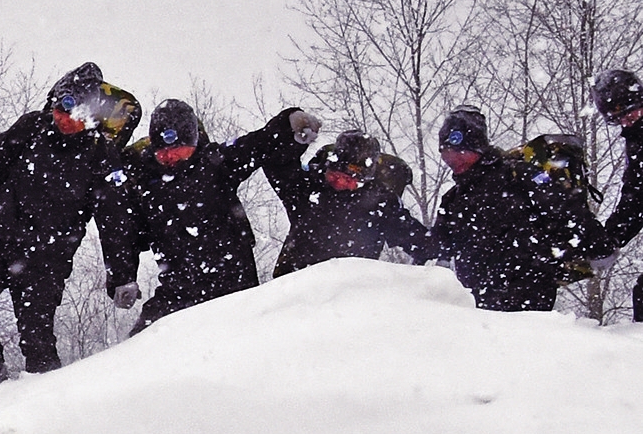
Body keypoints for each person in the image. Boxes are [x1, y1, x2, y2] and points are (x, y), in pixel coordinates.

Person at [0, 61, 136, 380]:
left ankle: (46, 411)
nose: (63, 120)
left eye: (74, 114)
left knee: (38, 343)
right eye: (60, 110)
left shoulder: (101, 154)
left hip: (47, 261)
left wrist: (122, 276)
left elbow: (114, 221)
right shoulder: (31, 129)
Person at [104, 100, 321, 331]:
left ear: (194, 143)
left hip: (235, 285)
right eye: (164, 151)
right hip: (178, 289)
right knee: (142, 341)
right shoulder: (144, 183)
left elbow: (257, 144)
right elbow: (123, 234)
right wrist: (122, 277)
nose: (171, 157)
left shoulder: (215, 163)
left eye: (179, 149)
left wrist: (288, 126)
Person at [432, 107, 619, 313]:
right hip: (476, 304)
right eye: (447, 157)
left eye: (461, 156)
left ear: (478, 149)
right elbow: (436, 248)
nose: (454, 164)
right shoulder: (453, 199)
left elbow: (568, 210)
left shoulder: (518, 176)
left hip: (529, 293)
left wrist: (601, 247)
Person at [269, 131, 441, 275]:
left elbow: (416, 239)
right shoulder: (308, 186)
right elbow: (276, 163)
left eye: (350, 180)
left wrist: (440, 250)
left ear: (365, 180)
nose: (340, 183)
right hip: (294, 286)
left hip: (351, 292)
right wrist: (293, 136)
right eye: (335, 176)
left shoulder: (380, 202)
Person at [594, 70, 643, 250]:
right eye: (619, 118)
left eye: (630, 112)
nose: (626, 121)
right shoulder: (636, 141)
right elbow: (636, 196)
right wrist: (610, 238)